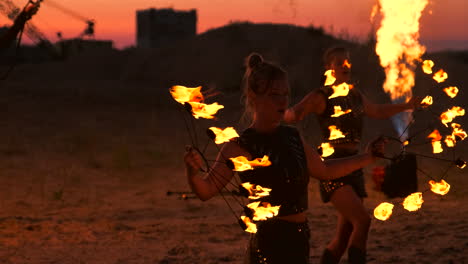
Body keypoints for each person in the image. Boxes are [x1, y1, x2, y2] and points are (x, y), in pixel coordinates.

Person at [184, 52, 386, 264]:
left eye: (286, 94)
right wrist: (192, 173)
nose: (282, 101)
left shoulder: (292, 136)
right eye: (274, 94)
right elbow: (206, 191)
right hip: (268, 246)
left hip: (299, 241)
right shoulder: (240, 146)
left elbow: (324, 170)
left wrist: (368, 157)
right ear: (253, 95)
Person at [284, 46, 420, 264]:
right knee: (363, 221)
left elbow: (376, 111)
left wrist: (406, 105)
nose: (345, 65)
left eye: (347, 61)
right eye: (338, 62)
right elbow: (293, 114)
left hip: (355, 165)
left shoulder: (355, 95)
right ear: (329, 69)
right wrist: (281, 112)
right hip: (333, 167)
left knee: (344, 234)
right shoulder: (322, 96)